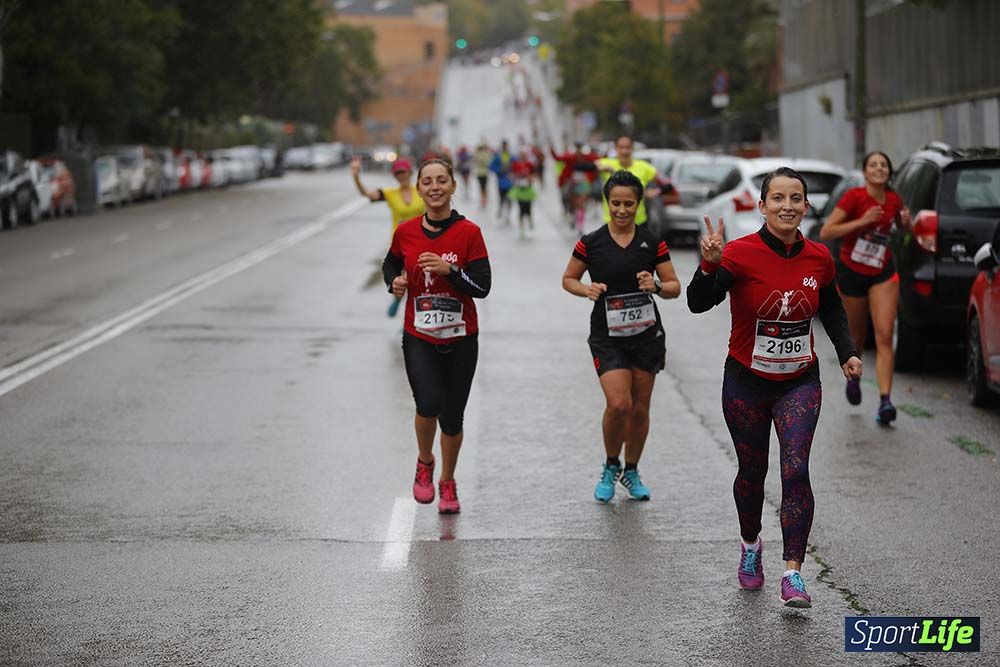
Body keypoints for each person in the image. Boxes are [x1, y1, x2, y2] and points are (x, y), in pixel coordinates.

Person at [687, 166, 863, 608]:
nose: (788, 206)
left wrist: (847, 353)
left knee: (796, 469)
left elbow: (833, 310)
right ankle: (750, 546)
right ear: (762, 206)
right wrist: (708, 265)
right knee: (752, 473)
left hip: (799, 382)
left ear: (806, 207)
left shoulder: (820, 257)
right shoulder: (741, 255)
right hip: (746, 382)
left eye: (796, 199)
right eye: (778, 198)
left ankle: (793, 573)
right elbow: (697, 302)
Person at [561, 171, 681, 504]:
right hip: (607, 335)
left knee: (640, 410)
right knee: (619, 404)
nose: (622, 210)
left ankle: (632, 469)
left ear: (638, 204)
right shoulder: (592, 241)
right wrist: (587, 288)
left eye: (629, 204)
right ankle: (611, 464)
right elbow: (568, 278)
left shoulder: (651, 240)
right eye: (616, 203)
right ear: (607, 202)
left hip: (646, 336)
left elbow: (674, 287)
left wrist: (655, 286)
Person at [381, 158, 491, 514]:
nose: (434, 187)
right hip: (419, 335)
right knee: (428, 404)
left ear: (453, 186)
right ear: (418, 189)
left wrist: (451, 270)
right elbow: (390, 264)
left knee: (453, 418)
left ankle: (448, 481)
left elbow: (483, 287)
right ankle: (424, 463)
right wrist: (394, 282)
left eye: (441, 180)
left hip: (461, 338)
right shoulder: (407, 232)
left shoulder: (469, 233)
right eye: (427, 181)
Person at [819, 151, 911, 425]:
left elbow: (905, 232)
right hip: (852, 272)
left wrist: (907, 225)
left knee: (884, 335)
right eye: (874, 165)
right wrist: (862, 221)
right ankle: (854, 376)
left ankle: (885, 401)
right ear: (866, 171)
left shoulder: (894, 199)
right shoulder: (854, 197)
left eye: (884, 165)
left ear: (889, 173)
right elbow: (826, 232)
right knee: (856, 337)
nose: (879, 168)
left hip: (883, 272)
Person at [352, 155, 425, 317]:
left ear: (410, 173)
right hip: (400, 244)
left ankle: (412, 318)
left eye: (403, 172)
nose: (401, 176)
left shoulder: (421, 191)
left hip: (422, 241)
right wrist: (356, 176)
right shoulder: (391, 194)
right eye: (397, 173)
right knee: (402, 281)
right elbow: (367, 194)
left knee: (418, 281)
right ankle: (399, 302)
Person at [597, 135, 660, 227]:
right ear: (615, 148)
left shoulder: (643, 167)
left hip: (638, 222)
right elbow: (588, 165)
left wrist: (653, 192)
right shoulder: (606, 163)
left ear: (632, 148)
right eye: (621, 147)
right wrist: (601, 168)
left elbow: (665, 183)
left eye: (627, 147)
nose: (624, 151)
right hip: (611, 223)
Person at [508, 149, 538, 239]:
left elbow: (534, 174)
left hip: (528, 190)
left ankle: (530, 220)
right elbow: (511, 174)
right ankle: (521, 228)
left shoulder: (529, 164)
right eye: (521, 154)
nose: (522, 156)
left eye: (524, 154)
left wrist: (530, 178)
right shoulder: (516, 164)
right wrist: (515, 178)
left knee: (528, 208)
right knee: (521, 209)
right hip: (520, 191)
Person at [489, 140, 514, 222]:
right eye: (504, 146)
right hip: (501, 182)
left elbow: (517, 165)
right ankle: (501, 210)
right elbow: (491, 166)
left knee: (510, 199)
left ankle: (508, 215)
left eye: (506, 145)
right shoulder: (498, 156)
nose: (505, 147)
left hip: (510, 182)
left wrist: (514, 173)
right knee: (502, 198)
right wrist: (499, 171)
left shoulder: (511, 156)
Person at [473, 141, 492, 209]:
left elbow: (487, 162)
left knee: (483, 187)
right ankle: (483, 199)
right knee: (482, 187)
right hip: (481, 173)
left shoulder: (484, 153)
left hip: (483, 173)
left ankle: (484, 199)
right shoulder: (483, 153)